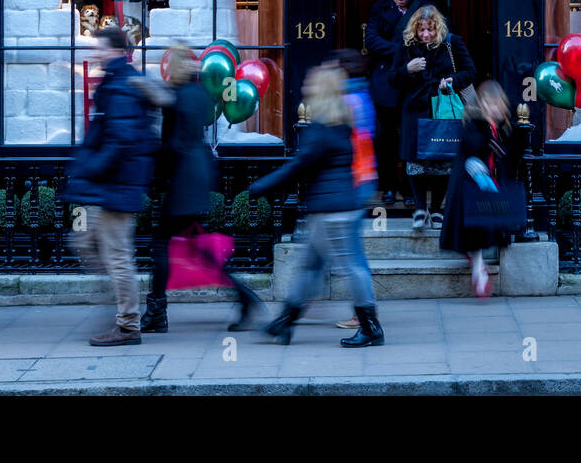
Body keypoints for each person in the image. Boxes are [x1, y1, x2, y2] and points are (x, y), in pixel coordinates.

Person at [249, 63, 383, 348]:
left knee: (350, 268)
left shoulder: (321, 128)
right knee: (310, 267)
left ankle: (371, 328)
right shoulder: (344, 123)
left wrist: (260, 186)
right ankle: (284, 323)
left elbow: (297, 167)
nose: (305, 88)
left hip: (332, 212)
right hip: (337, 207)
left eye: (311, 84)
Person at [141, 45, 261, 335]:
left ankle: (156, 312)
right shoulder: (199, 94)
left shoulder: (176, 98)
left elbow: (172, 145)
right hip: (198, 177)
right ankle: (246, 299)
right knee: (198, 246)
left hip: (182, 181)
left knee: (160, 244)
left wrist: (155, 178)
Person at [63, 27, 159, 346]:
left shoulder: (121, 86)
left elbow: (122, 140)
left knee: (118, 256)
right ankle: (121, 302)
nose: (96, 53)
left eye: (101, 48)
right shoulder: (116, 82)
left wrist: (92, 169)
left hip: (116, 185)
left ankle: (128, 324)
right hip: (108, 184)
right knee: (82, 240)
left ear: (117, 50)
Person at [389, 4, 476, 230]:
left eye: (430, 29)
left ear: (437, 28)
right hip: (414, 110)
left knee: (444, 156)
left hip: (443, 107)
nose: (426, 34)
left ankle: (437, 209)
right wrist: (407, 68)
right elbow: (392, 78)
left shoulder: (451, 43)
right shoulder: (406, 45)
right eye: (421, 30)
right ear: (414, 30)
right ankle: (420, 208)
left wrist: (451, 81)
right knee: (415, 161)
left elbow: (470, 71)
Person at [441, 81, 527, 298]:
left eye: (496, 104)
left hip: (487, 185)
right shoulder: (473, 122)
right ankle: (478, 272)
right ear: (481, 103)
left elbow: (509, 157)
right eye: (488, 103)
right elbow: (473, 145)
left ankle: (477, 268)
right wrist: (488, 129)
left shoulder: (501, 128)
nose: (493, 108)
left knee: (481, 227)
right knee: (473, 228)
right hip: (467, 185)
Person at [364, 0, 427, 208]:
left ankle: (412, 189)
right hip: (385, 83)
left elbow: (432, 38)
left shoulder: (424, 8)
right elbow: (371, 41)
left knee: (412, 138)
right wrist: (402, 51)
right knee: (386, 138)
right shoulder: (379, 8)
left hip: (415, 82)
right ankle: (389, 186)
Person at [332, 48, 378, 332]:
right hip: (362, 179)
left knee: (353, 254)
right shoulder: (361, 95)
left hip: (353, 180)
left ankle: (364, 313)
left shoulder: (348, 101)